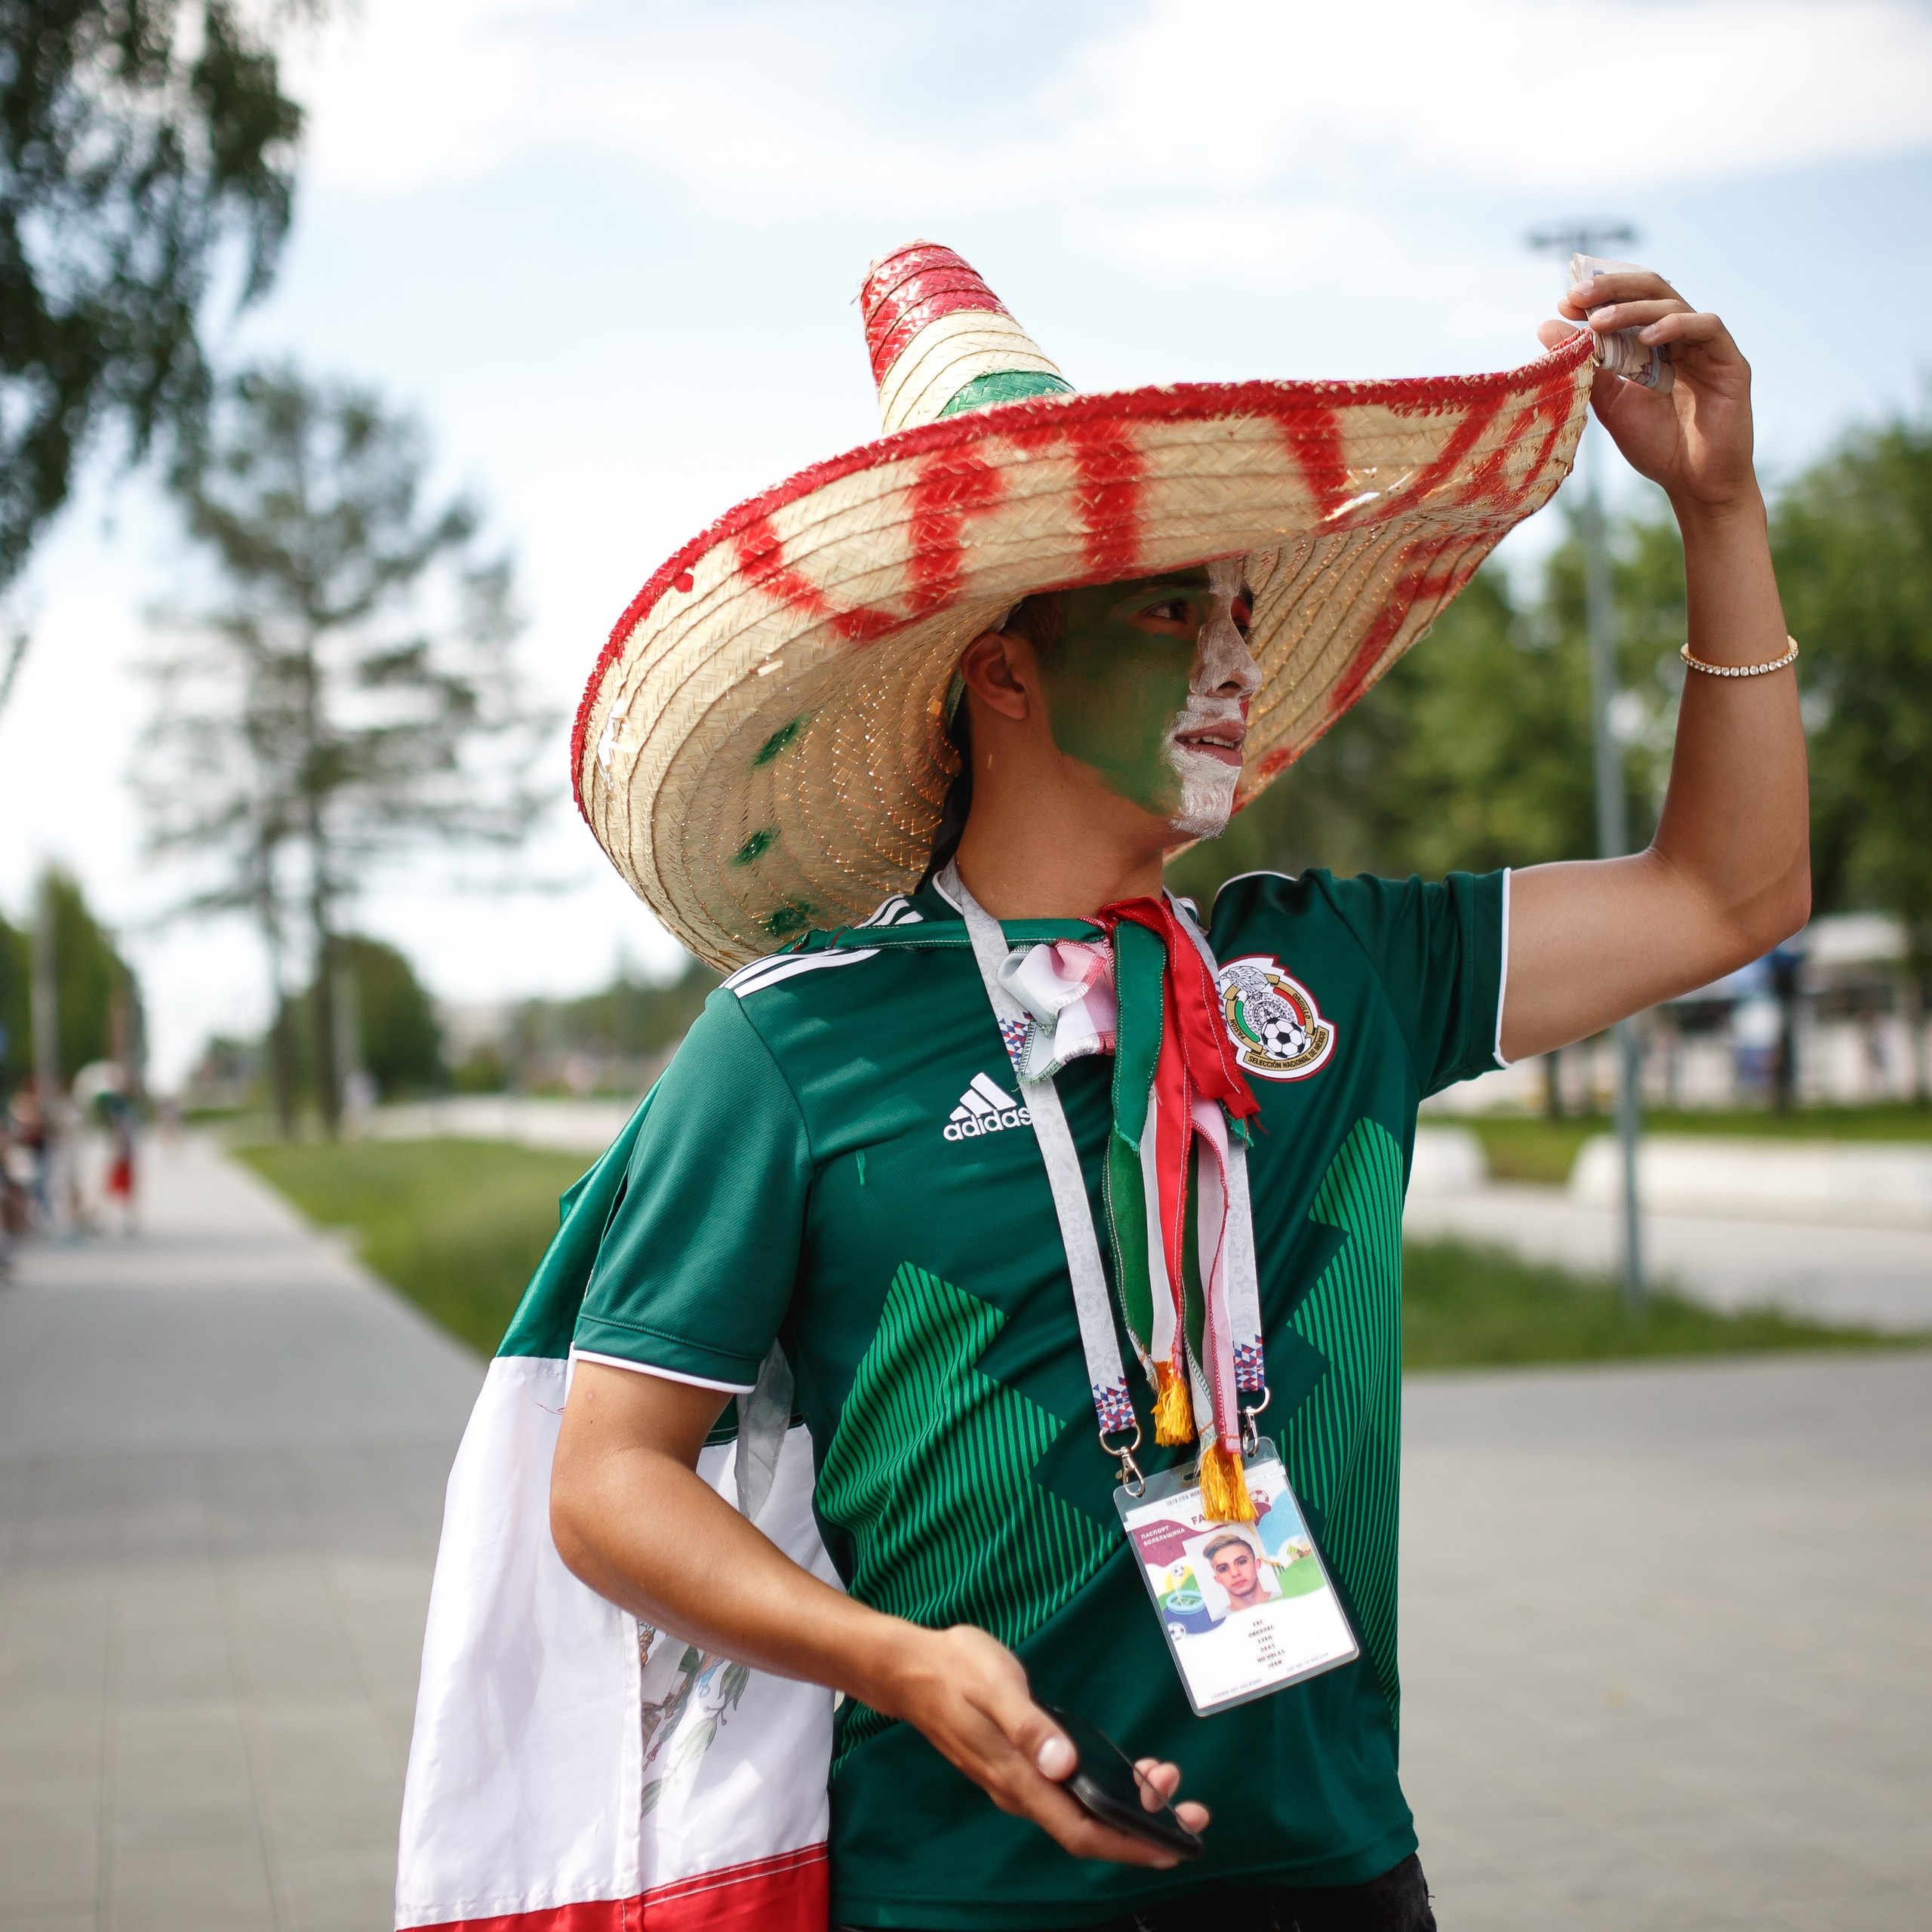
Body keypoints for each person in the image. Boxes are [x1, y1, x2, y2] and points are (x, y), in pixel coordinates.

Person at [546, 242, 1807, 1932]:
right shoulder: (797, 1038)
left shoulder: (1326, 974)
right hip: (963, 1888)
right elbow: (608, 1476)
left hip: (1329, 1868)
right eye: (1167, 611)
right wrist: (899, 1663)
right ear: (1000, 666)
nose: (1231, 657)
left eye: (1234, 611)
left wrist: (1717, 516)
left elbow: (1728, 891)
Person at [1200, 1531, 1279, 1617]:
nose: (1235, 1573)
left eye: (1241, 1562)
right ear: (1218, 1579)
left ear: (1257, 1565)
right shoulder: (1218, 1624)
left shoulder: (1288, 1599)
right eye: (1223, 1569)